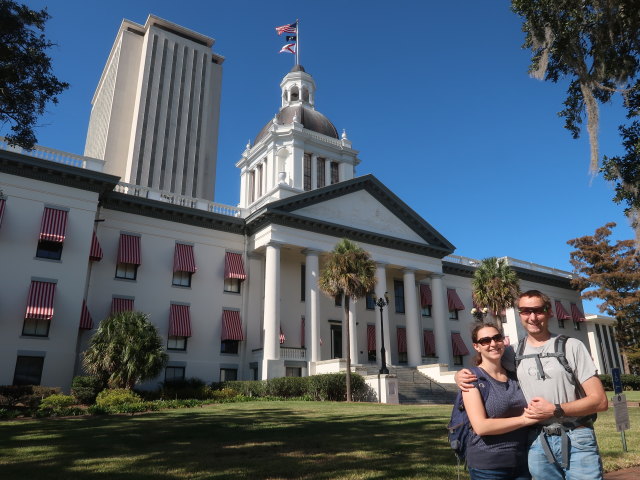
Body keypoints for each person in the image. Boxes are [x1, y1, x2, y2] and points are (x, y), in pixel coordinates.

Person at [456, 290, 608, 480]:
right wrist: (460, 375)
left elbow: (600, 401)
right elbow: (487, 365)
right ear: (520, 315)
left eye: (538, 310)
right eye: (526, 311)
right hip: (537, 441)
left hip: (576, 438)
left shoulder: (571, 346)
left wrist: (555, 409)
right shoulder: (512, 353)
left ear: (549, 312)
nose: (533, 317)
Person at [463, 321, 538, 480]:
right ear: (477, 346)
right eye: (485, 340)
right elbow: (481, 427)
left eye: (497, 338)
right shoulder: (471, 378)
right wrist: (524, 420)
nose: (493, 344)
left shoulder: (516, 376)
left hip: (523, 462)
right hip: (488, 466)